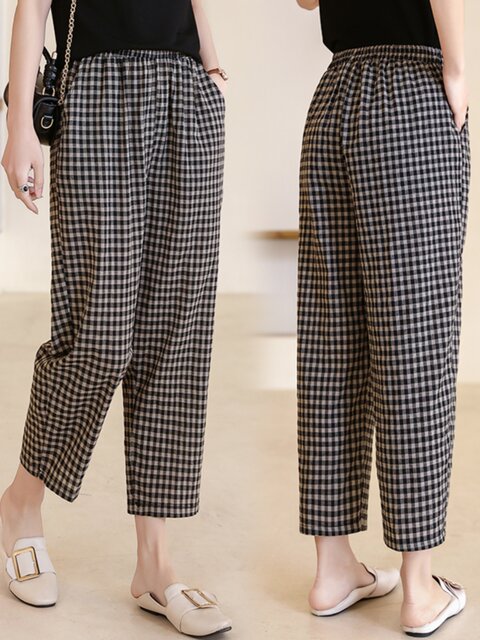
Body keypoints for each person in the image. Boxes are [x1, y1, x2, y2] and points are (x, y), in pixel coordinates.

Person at [0, 1, 232, 636]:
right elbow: (31, 6)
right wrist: (19, 124)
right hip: (97, 90)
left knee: (174, 334)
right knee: (96, 334)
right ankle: (20, 504)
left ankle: (155, 564)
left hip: (185, 89)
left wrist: (211, 64)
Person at [295, 0, 470, 636]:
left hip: (336, 96)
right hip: (413, 92)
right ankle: (419, 589)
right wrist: (457, 70)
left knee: (331, 334)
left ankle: (333, 568)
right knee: (414, 335)